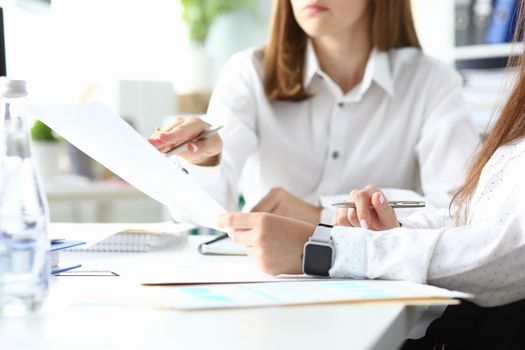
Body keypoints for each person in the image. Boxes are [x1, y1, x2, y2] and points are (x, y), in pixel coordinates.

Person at [217, 8, 525, 346]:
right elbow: (465, 213)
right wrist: (380, 233)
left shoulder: (430, 81)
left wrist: (325, 240)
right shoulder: (247, 71)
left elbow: (503, 246)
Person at [149, 0, 478, 225]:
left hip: (377, 287)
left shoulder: (432, 82)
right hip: (267, 284)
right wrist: (205, 159)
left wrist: (319, 213)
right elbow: (202, 213)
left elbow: (460, 209)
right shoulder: (248, 72)